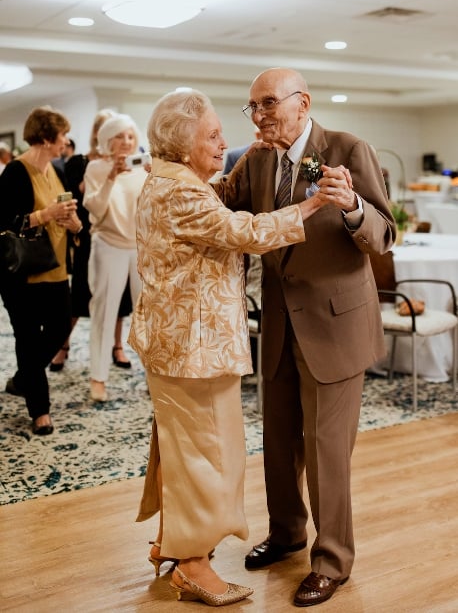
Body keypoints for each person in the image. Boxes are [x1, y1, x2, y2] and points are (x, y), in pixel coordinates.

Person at [128, 89, 334, 607]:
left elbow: (212, 198)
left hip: (176, 347)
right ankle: (194, 565)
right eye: (213, 136)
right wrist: (311, 202)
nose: (225, 144)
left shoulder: (171, 181)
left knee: (183, 450)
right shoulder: (180, 193)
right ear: (183, 143)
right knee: (209, 457)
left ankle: (170, 543)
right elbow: (242, 229)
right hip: (193, 350)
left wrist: (251, 155)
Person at [215, 67, 395, 607]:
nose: (260, 114)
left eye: (268, 103)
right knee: (280, 442)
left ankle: (332, 559)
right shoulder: (258, 159)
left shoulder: (347, 148)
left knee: (326, 452)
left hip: (336, 325)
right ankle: (288, 532)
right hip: (277, 324)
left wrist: (352, 208)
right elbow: (222, 204)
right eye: (253, 106)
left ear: (302, 102)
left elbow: (384, 235)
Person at [0, 106, 82, 435]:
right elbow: (5, 222)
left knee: (61, 326)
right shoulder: (17, 172)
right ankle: (40, 411)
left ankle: (23, 379)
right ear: (47, 138)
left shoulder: (54, 169)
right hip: (22, 274)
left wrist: (74, 223)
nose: (65, 142)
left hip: (57, 267)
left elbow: (64, 217)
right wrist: (46, 214)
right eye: (62, 136)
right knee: (28, 338)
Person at [49, 111, 133, 372]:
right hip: (88, 234)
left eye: (124, 134)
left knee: (120, 297)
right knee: (80, 295)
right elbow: (81, 194)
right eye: (111, 132)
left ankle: (117, 345)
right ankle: (62, 346)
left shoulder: (131, 162)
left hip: (120, 234)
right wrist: (106, 169)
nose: (121, 139)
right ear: (99, 134)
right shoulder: (80, 162)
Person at [83, 113, 147, 402]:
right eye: (120, 136)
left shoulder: (143, 167)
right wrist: (111, 177)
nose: (126, 142)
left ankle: (153, 377)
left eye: (131, 136)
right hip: (108, 245)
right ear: (108, 140)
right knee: (104, 312)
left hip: (140, 247)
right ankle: (98, 377)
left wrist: (152, 174)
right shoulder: (96, 168)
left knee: (147, 315)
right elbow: (94, 209)